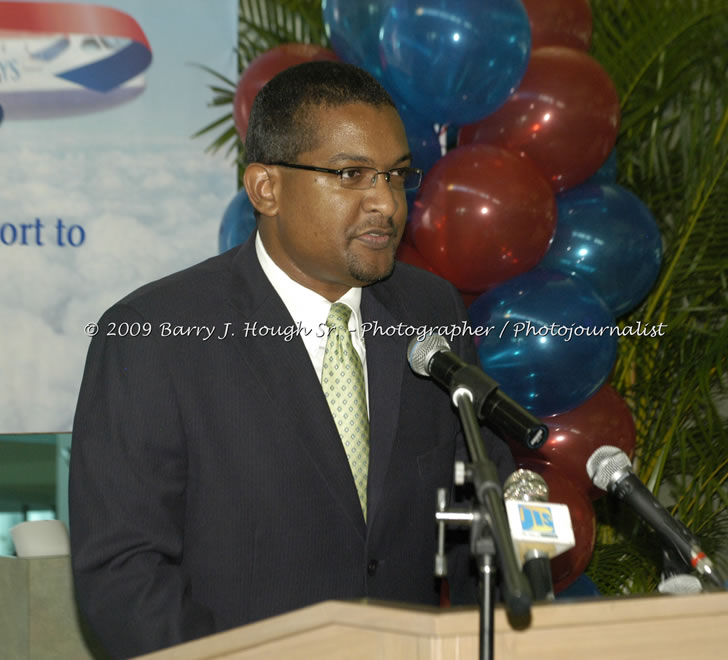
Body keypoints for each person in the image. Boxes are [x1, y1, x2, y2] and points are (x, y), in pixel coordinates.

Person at [69, 61, 514, 658]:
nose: (384, 202)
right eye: (351, 174)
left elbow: (474, 519)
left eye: (396, 176)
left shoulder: (428, 309)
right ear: (266, 189)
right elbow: (122, 572)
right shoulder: (154, 336)